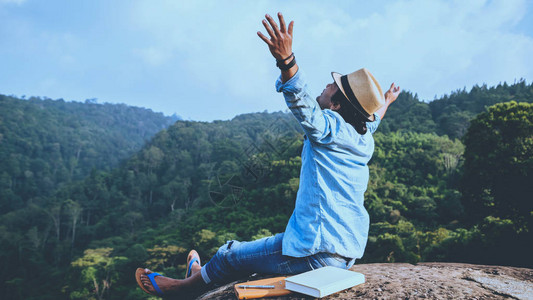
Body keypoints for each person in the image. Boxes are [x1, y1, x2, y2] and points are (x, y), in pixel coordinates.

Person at [136, 12, 400, 298]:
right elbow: (374, 121)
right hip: (345, 254)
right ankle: (199, 275)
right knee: (251, 255)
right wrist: (384, 101)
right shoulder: (362, 137)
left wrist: (286, 61)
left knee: (230, 254)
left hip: (314, 253)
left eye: (331, 86)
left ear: (337, 106)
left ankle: (184, 289)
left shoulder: (331, 128)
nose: (326, 86)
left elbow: (305, 107)